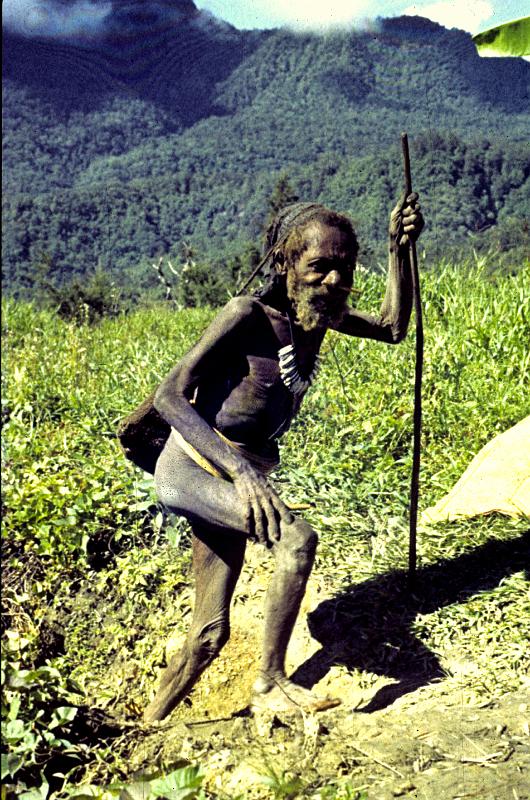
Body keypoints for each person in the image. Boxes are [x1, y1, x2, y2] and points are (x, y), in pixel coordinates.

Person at [143, 193, 424, 721]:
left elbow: (391, 327)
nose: (334, 281)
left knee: (208, 635)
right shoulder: (247, 316)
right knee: (296, 539)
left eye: (344, 269)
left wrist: (397, 248)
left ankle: (144, 725)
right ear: (284, 265)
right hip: (190, 469)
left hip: (230, 479)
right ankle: (270, 681)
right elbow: (168, 397)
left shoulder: (315, 317)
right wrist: (243, 471)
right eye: (318, 267)